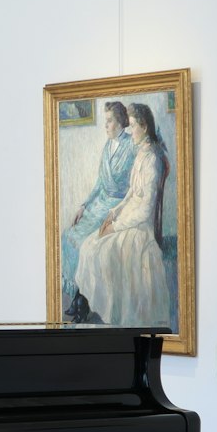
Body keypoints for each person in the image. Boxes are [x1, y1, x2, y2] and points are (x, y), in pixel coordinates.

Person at [72, 102, 171, 329]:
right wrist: (114, 212)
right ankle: (92, 303)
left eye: (133, 125)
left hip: (139, 227)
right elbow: (131, 192)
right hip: (128, 215)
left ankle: (113, 310)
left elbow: (145, 209)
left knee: (100, 250)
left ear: (144, 127)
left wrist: (116, 226)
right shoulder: (141, 153)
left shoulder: (152, 160)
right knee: (88, 245)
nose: (130, 130)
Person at [60, 101, 136, 320]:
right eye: (105, 121)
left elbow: (135, 186)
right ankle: (77, 294)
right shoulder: (107, 146)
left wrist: (121, 209)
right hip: (100, 202)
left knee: (84, 240)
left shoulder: (131, 146)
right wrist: (83, 205)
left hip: (117, 206)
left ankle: (82, 301)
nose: (106, 125)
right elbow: (99, 184)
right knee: (69, 235)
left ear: (120, 122)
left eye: (110, 121)